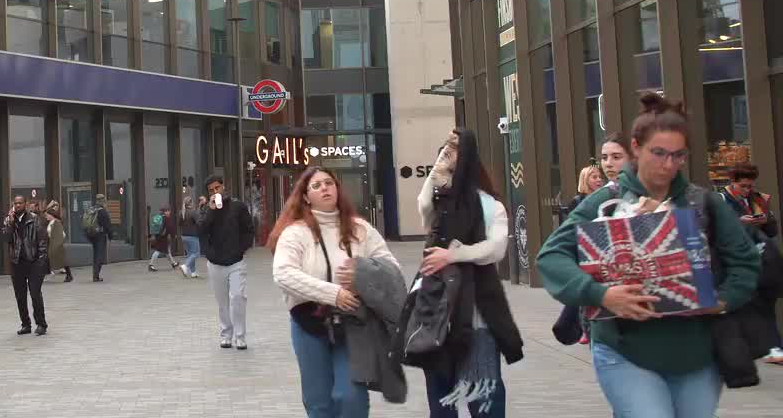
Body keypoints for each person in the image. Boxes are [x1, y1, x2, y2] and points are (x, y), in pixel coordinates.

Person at [538, 93, 760, 417]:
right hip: (623, 348)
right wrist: (601, 294)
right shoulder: (604, 202)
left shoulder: (704, 203)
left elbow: (747, 262)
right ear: (636, 148)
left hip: (697, 352)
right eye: (659, 153)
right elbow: (551, 256)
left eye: (678, 156)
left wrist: (722, 299)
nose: (668, 165)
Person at [270, 166, 400, 418]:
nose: (324, 188)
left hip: (354, 323)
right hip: (308, 322)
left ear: (338, 189)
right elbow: (283, 273)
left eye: (329, 183)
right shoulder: (296, 232)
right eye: (316, 186)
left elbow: (391, 268)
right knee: (318, 401)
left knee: (351, 396)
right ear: (306, 196)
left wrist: (362, 276)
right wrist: (333, 293)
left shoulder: (360, 228)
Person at [415, 129, 523, 417]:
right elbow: (423, 205)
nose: (445, 159)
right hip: (437, 314)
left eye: (451, 155)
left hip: (477, 317)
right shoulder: (441, 203)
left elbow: (496, 249)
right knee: (441, 402)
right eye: (442, 153)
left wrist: (454, 254)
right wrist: (437, 169)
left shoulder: (490, 205)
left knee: (484, 401)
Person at [718, 163, 783, 366]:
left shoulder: (758, 199)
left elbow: (772, 232)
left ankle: (770, 347)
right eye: (743, 186)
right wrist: (740, 222)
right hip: (737, 260)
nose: (747, 190)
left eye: (750, 186)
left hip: (763, 259)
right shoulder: (719, 200)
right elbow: (716, 229)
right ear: (732, 182)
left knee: (763, 301)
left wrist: (765, 219)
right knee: (742, 306)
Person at [198, 176, 255, 350]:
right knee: (222, 302)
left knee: (237, 297)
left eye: (218, 188)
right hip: (215, 262)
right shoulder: (206, 209)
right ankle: (225, 334)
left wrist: (241, 249)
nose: (216, 192)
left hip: (236, 261)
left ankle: (240, 336)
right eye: (211, 190)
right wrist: (211, 211)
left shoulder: (238, 206)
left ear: (224, 186)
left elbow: (249, 229)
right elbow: (200, 230)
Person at [3, 195, 49, 335]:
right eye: (15, 203)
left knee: (35, 294)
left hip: (34, 262)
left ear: (26, 204)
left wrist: (41, 261)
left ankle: (41, 324)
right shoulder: (9, 220)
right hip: (17, 263)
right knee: (20, 296)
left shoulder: (35, 219)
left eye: (20, 203)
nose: (17, 205)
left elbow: (42, 241)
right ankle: (25, 324)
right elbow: (6, 238)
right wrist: (10, 223)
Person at [86, 193, 112, 282]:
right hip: (100, 235)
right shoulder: (102, 211)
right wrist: (110, 235)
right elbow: (107, 225)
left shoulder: (92, 209)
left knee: (96, 254)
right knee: (99, 255)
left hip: (92, 235)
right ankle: (96, 276)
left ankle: (95, 274)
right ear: (103, 201)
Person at [45, 201, 71, 283]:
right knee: (60, 260)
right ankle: (68, 275)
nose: (46, 217)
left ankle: (69, 275)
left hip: (56, 245)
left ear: (51, 215)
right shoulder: (51, 223)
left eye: (47, 215)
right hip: (53, 243)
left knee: (62, 260)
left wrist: (57, 243)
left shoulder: (56, 223)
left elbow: (62, 235)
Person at [148, 206, 179, 272]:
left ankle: (173, 263)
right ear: (166, 212)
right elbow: (170, 228)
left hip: (158, 236)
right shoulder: (166, 218)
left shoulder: (159, 217)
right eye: (168, 211)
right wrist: (173, 235)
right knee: (158, 250)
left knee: (167, 251)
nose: (169, 212)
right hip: (163, 237)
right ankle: (151, 265)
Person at [179, 197, 203, 278]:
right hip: (192, 236)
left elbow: (179, 224)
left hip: (183, 236)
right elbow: (199, 222)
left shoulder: (181, 212)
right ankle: (185, 266)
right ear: (191, 203)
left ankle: (193, 272)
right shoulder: (193, 212)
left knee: (190, 254)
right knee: (196, 253)